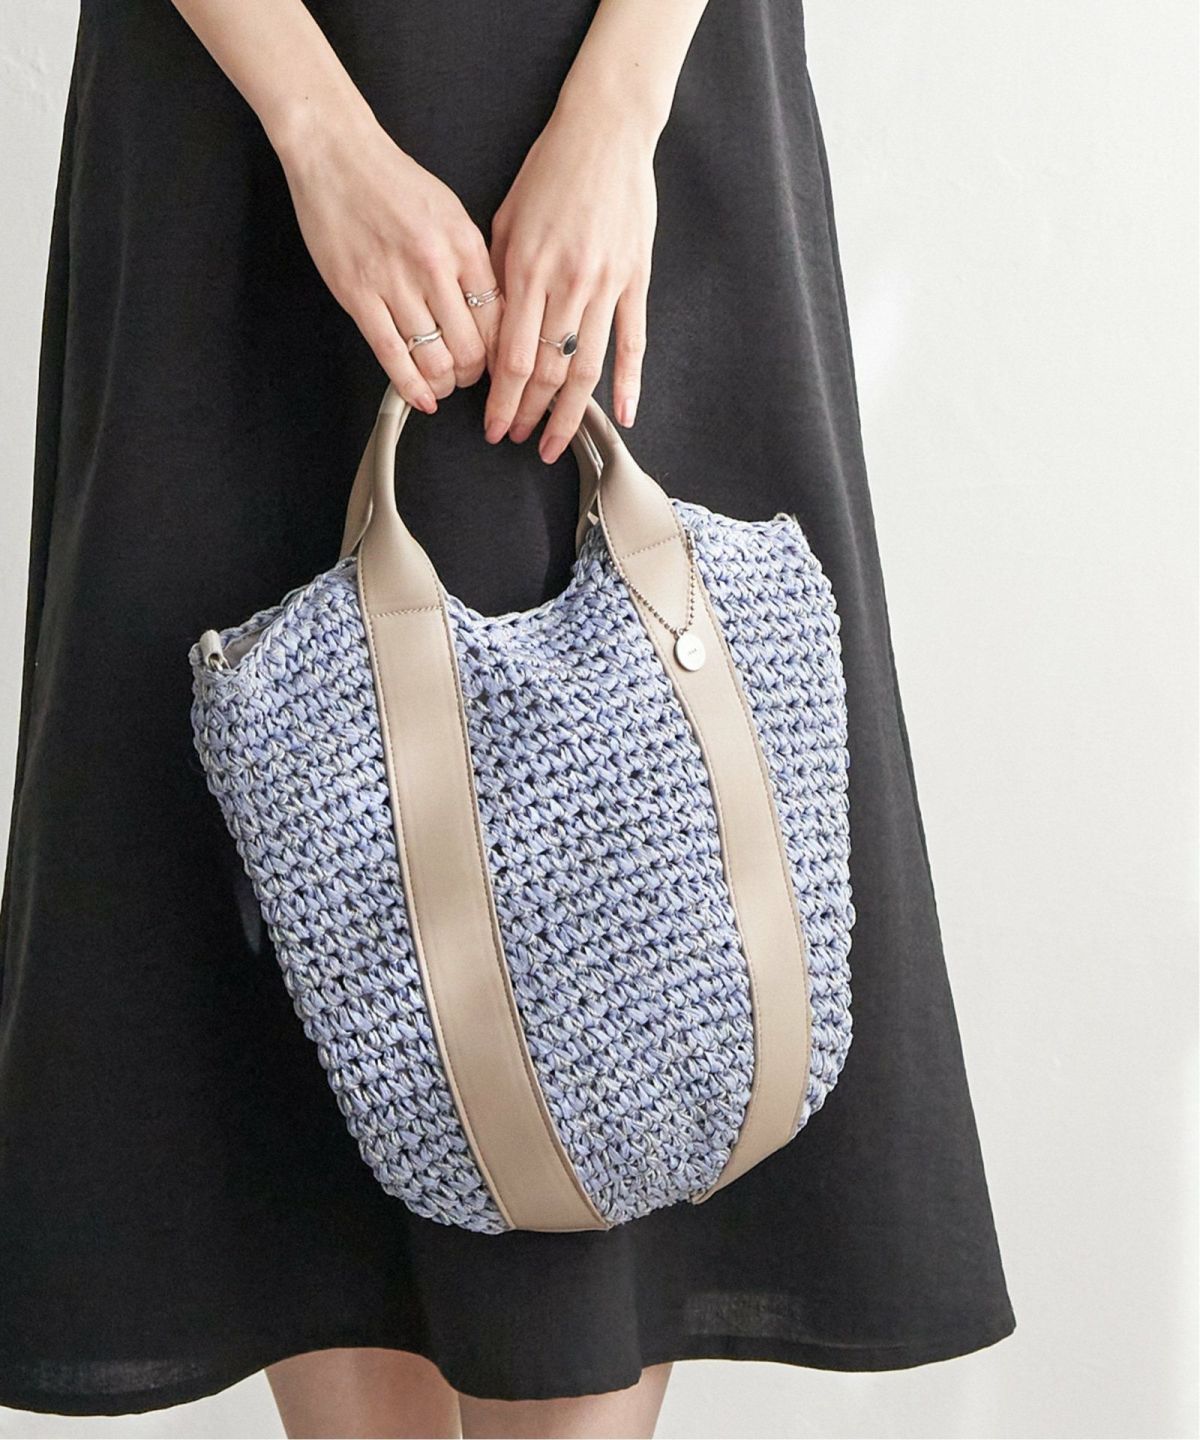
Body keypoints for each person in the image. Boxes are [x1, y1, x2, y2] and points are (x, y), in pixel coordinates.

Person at [0, 1, 1016, 1435]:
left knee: (623, 921)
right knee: (292, 1011)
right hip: (241, 110)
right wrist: (314, 128)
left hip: (630, 95)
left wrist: (617, 116)